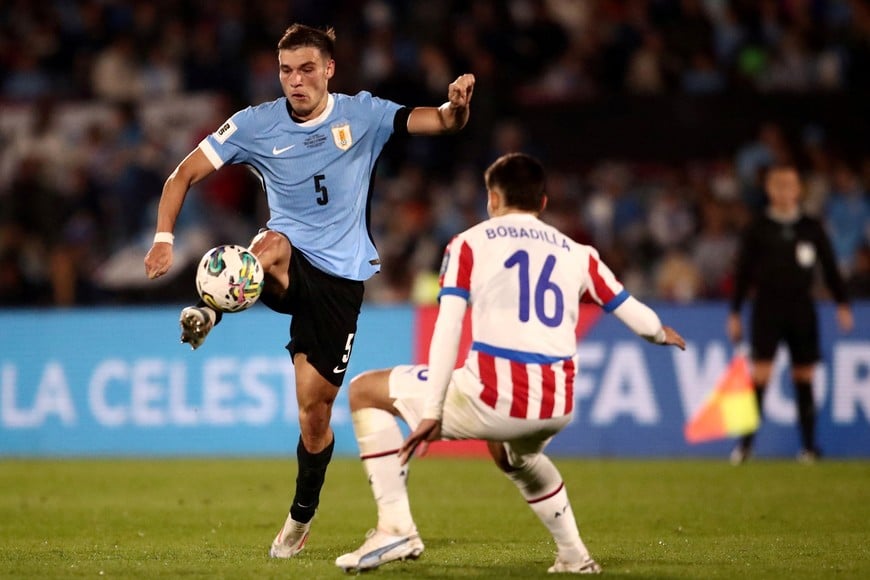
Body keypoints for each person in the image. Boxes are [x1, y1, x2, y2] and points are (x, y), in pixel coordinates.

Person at [143, 24, 475, 558]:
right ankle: (210, 312)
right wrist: (164, 239)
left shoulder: (362, 114)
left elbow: (438, 121)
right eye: (285, 71)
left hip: (340, 282)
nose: (295, 81)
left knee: (313, 414)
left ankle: (300, 517)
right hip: (286, 262)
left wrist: (455, 105)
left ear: (329, 69)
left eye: (305, 69)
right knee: (268, 241)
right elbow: (182, 175)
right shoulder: (255, 124)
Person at [334, 153, 686, 574]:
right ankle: (574, 555)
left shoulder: (469, 243)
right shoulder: (579, 252)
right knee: (514, 455)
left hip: (496, 397)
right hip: (557, 405)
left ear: (493, 198)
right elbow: (635, 315)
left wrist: (432, 411)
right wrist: (660, 333)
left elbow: (448, 328)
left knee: (364, 391)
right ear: (542, 202)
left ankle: (395, 529)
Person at [727, 162, 853, 465]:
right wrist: (734, 311)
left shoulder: (810, 227)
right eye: (778, 185)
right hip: (767, 308)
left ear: (798, 189)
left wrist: (842, 303)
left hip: (802, 308)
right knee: (761, 375)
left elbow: (830, 266)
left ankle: (808, 448)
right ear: (769, 189)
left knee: (804, 375)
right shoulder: (758, 228)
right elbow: (742, 272)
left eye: (790, 185)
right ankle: (745, 447)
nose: (784, 191)